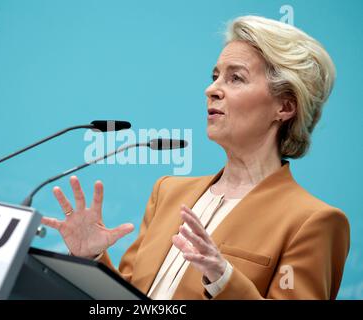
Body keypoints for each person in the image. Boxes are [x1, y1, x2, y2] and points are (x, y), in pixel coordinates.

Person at [41, 16, 350, 299]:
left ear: (284, 107)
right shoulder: (168, 192)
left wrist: (223, 279)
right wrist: (91, 259)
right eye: (215, 76)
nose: (211, 89)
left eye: (236, 78)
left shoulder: (313, 222)